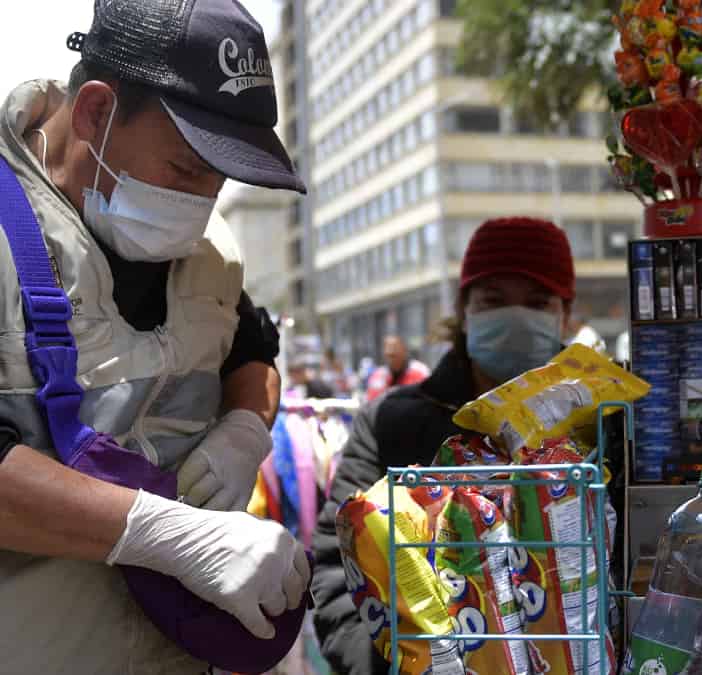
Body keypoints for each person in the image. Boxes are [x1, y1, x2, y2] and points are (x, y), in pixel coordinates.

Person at [0, 1, 310, 672]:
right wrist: (160, 533)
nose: (203, 202)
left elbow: (251, 352)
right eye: (187, 169)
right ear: (95, 114)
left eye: (221, 177)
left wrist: (245, 432)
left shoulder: (205, 257)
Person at [312, 217, 575, 674]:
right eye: (494, 301)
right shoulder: (391, 421)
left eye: (536, 302)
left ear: (564, 315)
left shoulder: (603, 424)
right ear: (464, 309)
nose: (515, 318)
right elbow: (338, 569)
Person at [363, 335, 431, 401]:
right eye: (389, 355)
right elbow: (371, 402)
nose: (390, 352)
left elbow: (427, 399)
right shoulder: (378, 375)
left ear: (404, 350)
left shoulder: (420, 371)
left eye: (394, 353)